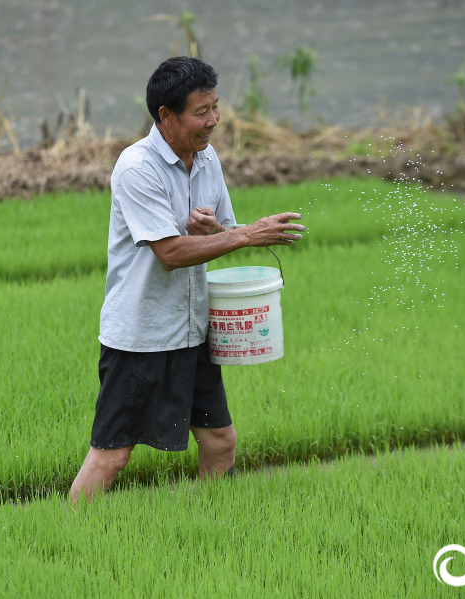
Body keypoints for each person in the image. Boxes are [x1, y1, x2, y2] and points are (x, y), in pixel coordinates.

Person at [70, 56, 304, 502]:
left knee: (220, 442)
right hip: (142, 335)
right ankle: (64, 535)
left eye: (216, 107)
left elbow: (225, 230)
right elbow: (171, 253)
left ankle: (215, 529)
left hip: (193, 331)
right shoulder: (137, 167)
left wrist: (215, 229)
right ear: (166, 115)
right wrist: (248, 236)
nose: (214, 120)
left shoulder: (206, 157)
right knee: (112, 456)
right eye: (202, 112)